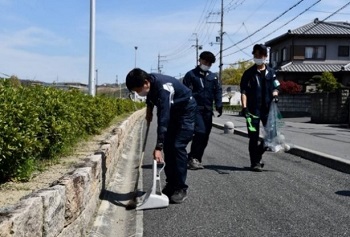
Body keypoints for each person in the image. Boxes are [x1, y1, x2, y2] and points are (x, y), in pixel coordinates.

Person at [126, 68, 196, 204]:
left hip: (185, 111)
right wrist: (149, 109)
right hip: (173, 111)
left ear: (146, 82)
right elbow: (151, 97)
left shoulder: (163, 88)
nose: (138, 93)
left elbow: (164, 118)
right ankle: (171, 184)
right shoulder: (150, 83)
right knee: (169, 147)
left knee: (177, 146)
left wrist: (158, 147)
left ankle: (181, 187)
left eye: (138, 90)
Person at [240, 44, 280, 172]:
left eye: (260, 55)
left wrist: (275, 94)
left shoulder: (272, 72)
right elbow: (244, 91)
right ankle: (255, 162)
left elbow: (276, 86)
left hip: (268, 110)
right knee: (253, 136)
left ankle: (258, 154)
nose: (258, 57)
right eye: (256, 55)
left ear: (265, 57)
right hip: (252, 110)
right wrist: (244, 107)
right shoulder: (248, 73)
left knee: (272, 134)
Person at [183, 51, 222, 170]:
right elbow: (185, 92)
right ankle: (193, 158)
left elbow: (218, 91)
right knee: (200, 132)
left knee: (205, 135)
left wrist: (219, 105)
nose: (207, 64)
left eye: (209, 63)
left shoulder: (213, 76)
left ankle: (196, 158)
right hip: (195, 109)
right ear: (199, 60)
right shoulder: (191, 75)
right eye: (205, 61)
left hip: (208, 110)